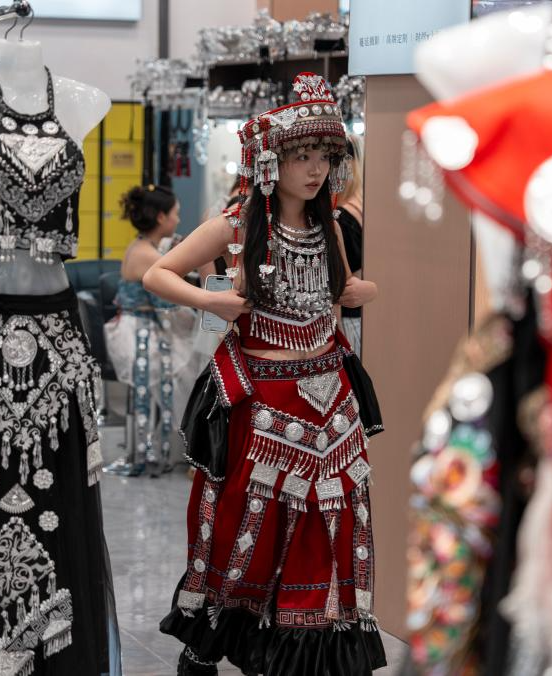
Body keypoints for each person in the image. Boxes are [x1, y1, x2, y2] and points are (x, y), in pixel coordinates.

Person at [143, 73, 385, 675]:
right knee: (248, 524)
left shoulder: (330, 227)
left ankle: (307, 645)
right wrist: (211, 300)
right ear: (272, 162)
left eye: (324, 157)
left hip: (331, 398)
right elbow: (157, 274)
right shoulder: (237, 224)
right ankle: (218, 637)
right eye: (303, 156)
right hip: (263, 400)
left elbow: (336, 299)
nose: (316, 169)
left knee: (332, 520)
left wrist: (356, 291)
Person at [103, 184, 196, 477]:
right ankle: (181, 446)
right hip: (137, 334)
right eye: (175, 214)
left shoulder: (142, 246)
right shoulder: (148, 256)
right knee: (191, 367)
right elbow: (169, 305)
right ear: (161, 217)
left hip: (136, 326)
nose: (178, 220)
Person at [336, 134, 369, 355]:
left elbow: (341, 285)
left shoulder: (342, 217)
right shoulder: (364, 207)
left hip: (349, 322)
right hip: (363, 317)